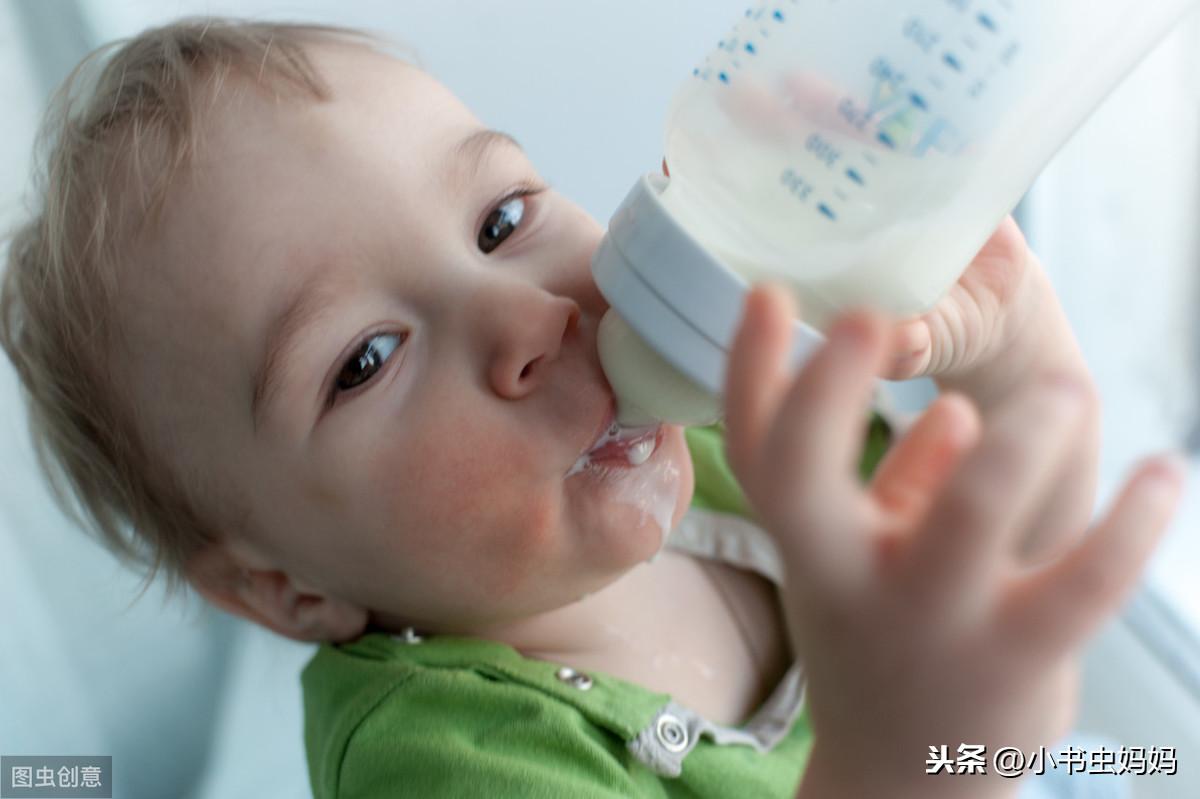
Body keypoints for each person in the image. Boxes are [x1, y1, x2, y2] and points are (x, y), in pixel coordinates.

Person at [0, 18, 1182, 799]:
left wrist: (1012, 359)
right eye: (363, 359)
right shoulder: (449, 763)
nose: (528, 321)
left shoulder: (721, 450)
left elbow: (1018, 575)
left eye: (502, 221)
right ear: (287, 587)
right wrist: (910, 758)